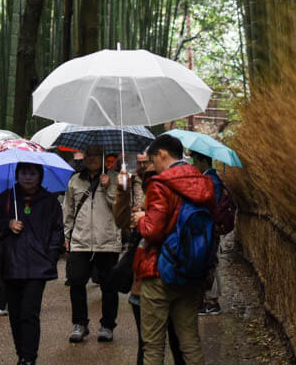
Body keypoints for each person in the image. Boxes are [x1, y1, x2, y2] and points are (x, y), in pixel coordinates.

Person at [131, 133, 216, 365]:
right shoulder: (204, 182)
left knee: (153, 344)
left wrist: (140, 218)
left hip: (160, 270)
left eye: (153, 160)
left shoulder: (161, 184)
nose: (153, 166)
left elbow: (153, 231)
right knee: (189, 339)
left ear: (163, 154)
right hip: (192, 269)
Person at [0, 162, 64, 365]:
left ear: (40, 175)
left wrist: (51, 257)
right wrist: (8, 224)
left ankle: (29, 358)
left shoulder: (50, 202)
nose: (28, 177)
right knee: (16, 314)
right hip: (12, 264)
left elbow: (57, 232)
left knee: (30, 312)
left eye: (32, 173)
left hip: (38, 266)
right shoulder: (6, 198)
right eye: (24, 172)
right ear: (17, 174)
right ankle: (21, 353)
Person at [113, 162, 185, 365]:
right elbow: (120, 221)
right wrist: (122, 190)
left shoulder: (179, 199)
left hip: (175, 282)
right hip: (142, 286)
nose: (150, 178)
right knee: (147, 345)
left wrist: (148, 218)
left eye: (152, 171)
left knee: (179, 344)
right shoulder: (141, 205)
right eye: (145, 174)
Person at [62, 145, 121, 343]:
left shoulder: (115, 179)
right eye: (89, 155)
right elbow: (68, 210)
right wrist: (67, 235)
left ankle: (107, 325)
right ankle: (80, 324)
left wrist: (108, 188)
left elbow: (121, 209)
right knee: (76, 281)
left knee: (109, 286)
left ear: (104, 157)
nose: (92, 158)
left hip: (107, 240)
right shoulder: (75, 180)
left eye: (96, 155)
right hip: (81, 240)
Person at [190, 151, 236, 315]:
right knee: (209, 261)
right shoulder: (212, 178)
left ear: (203, 162)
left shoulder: (210, 180)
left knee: (210, 262)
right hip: (210, 227)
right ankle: (209, 299)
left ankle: (212, 300)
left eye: (195, 161)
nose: (194, 165)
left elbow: (212, 207)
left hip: (210, 228)